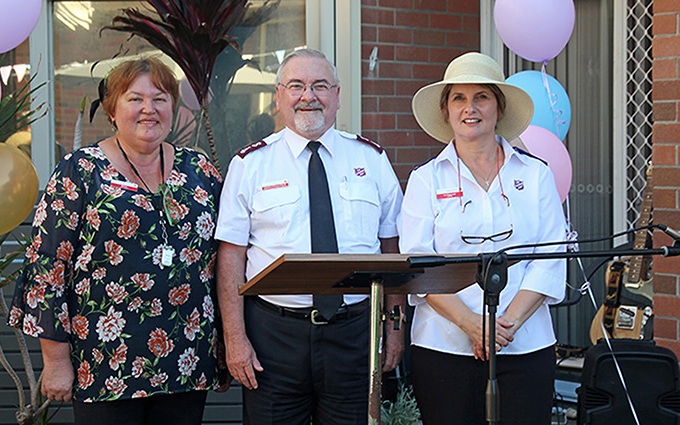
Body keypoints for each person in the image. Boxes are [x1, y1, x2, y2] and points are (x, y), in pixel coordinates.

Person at [8, 57, 224, 425]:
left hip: (186, 359)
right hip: (105, 363)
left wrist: (228, 342)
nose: (148, 109)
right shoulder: (80, 170)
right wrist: (56, 360)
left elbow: (224, 258)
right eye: (134, 98)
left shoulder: (199, 169)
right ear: (113, 109)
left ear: (173, 105)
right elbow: (48, 266)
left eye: (160, 98)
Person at [215, 48, 405, 425]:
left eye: (320, 85)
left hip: (355, 333)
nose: (308, 96)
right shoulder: (250, 164)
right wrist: (235, 339)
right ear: (279, 97)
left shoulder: (372, 159)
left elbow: (392, 248)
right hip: (273, 336)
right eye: (297, 86)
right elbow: (231, 256)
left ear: (337, 95)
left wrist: (394, 328)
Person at [398, 51, 567, 424]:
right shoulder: (426, 179)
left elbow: (552, 256)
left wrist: (504, 325)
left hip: (525, 344)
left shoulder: (537, 175)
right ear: (446, 110)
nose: (469, 108)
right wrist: (473, 325)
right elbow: (417, 264)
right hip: (444, 347)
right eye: (459, 97)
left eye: (482, 97)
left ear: (499, 108)